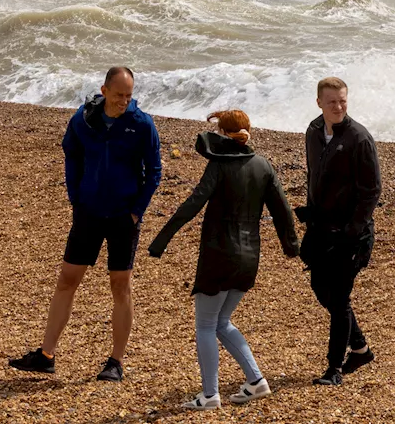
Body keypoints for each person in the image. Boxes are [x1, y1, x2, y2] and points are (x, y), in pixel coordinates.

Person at [9, 66, 162, 382]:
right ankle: (46, 355)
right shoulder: (83, 119)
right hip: (89, 212)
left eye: (129, 96)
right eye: (119, 95)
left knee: (120, 286)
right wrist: (75, 195)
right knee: (67, 279)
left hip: (123, 217)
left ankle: (115, 362)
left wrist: (137, 211)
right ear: (104, 91)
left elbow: (155, 171)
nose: (124, 101)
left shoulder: (142, 125)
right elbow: (71, 153)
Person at [147, 109, 299, 411]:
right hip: (249, 257)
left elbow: (193, 203)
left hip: (220, 254)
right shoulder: (264, 166)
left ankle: (209, 395)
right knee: (221, 322)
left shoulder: (219, 165)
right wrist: (291, 246)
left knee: (205, 325)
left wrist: (160, 240)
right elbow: (283, 211)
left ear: (223, 134)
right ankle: (256, 381)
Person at [299, 76, 381, 386]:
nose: (338, 106)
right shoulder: (313, 131)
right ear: (319, 102)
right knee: (323, 291)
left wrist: (353, 229)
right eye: (332, 101)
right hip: (321, 229)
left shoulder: (359, 138)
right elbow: (313, 176)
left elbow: (372, 190)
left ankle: (334, 369)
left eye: (343, 100)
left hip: (352, 235)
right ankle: (359, 349)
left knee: (340, 298)